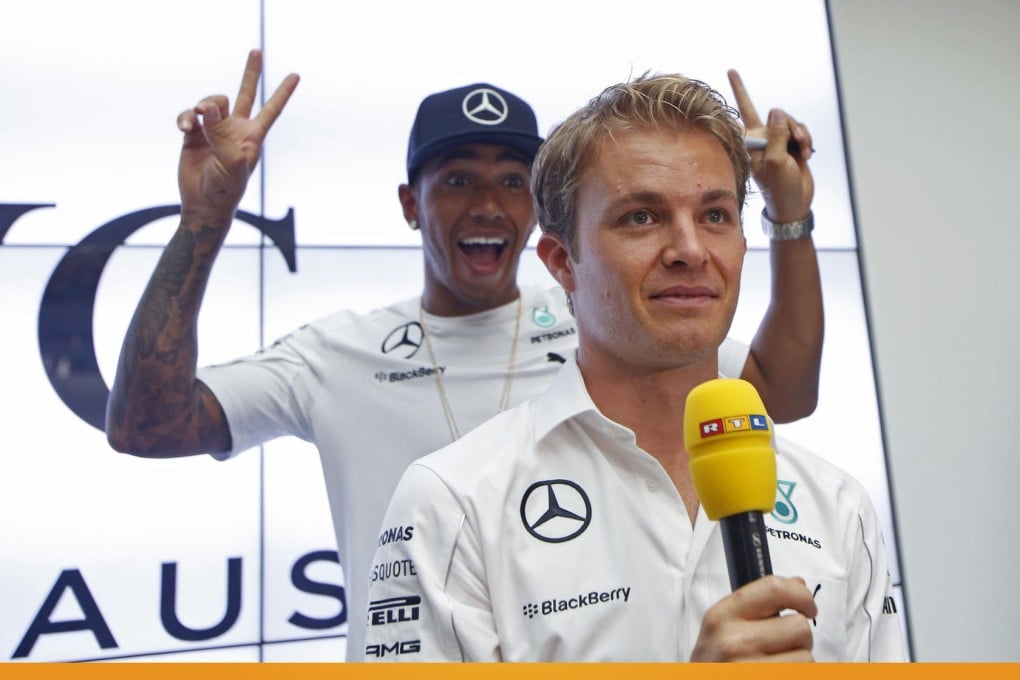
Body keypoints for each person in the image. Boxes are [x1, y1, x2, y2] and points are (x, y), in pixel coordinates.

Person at [105, 50, 824, 661]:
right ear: (409, 204)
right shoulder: (337, 353)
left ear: (544, 218)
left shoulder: (613, 320)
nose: (488, 205)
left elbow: (781, 395)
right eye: (457, 180)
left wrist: (788, 216)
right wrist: (204, 221)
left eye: (513, 181)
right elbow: (148, 424)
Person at [362, 73, 905, 662]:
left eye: (715, 215)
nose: (690, 250)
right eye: (641, 217)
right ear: (561, 261)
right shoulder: (453, 504)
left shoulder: (838, 505)